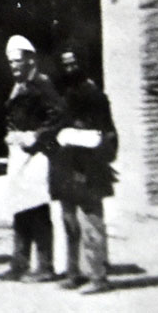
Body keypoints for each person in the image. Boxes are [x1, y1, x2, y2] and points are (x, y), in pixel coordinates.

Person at [0, 34, 65, 283]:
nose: (13, 66)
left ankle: (45, 266)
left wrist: (36, 136)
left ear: (30, 60)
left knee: (36, 207)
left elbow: (58, 115)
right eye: (10, 62)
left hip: (37, 155)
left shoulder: (41, 83)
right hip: (18, 152)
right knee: (19, 206)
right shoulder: (18, 85)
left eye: (17, 61)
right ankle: (19, 262)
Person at [50, 48, 117, 294]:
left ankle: (98, 276)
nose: (69, 68)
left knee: (90, 220)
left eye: (74, 63)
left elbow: (107, 133)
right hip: (66, 164)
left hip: (88, 165)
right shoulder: (63, 94)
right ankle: (74, 272)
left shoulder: (94, 95)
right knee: (69, 221)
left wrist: (87, 143)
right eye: (65, 63)